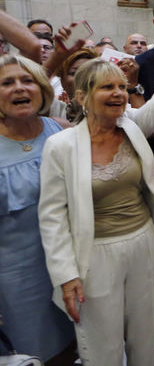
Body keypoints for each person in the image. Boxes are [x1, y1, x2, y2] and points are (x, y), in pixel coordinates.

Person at [37, 0, 154, 364]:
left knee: (146, 340)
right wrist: (66, 276)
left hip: (144, 245)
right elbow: (52, 219)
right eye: (106, 87)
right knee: (101, 347)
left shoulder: (132, 127)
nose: (118, 93)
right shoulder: (60, 145)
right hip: (93, 255)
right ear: (82, 96)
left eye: (120, 86)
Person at [0, 54, 75, 364]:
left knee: (71, 346)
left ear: (42, 88)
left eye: (27, 80)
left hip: (66, 268)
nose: (19, 88)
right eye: (7, 82)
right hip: (14, 281)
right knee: (30, 354)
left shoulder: (59, 129)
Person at [56, 48, 98, 123]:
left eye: (89, 72)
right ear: (62, 79)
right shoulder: (53, 110)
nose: (82, 78)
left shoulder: (113, 110)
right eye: (74, 73)